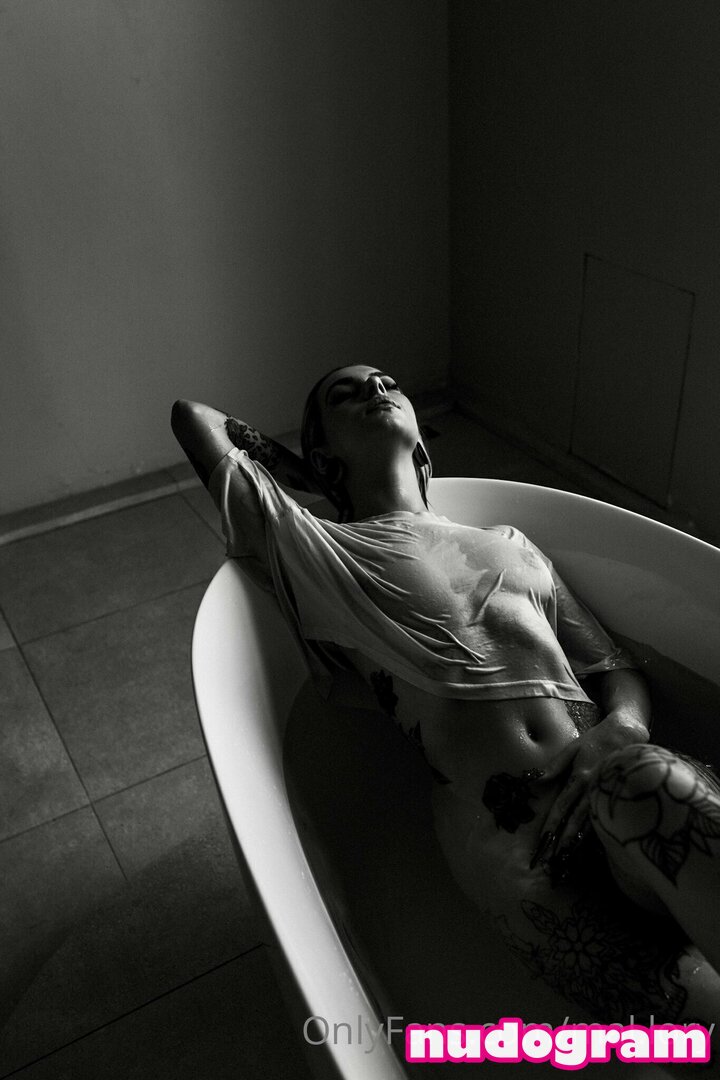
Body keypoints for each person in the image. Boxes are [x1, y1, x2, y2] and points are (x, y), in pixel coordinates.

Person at [171, 365, 720, 1036]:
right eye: (347, 396)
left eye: (386, 384)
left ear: (421, 433)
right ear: (321, 458)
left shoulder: (510, 545)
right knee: (701, 1028)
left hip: (617, 779)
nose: (375, 392)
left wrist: (624, 726)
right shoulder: (322, 552)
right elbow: (196, 419)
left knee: (645, 781)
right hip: (521, 856)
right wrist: (321, 482)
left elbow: (613, 665)